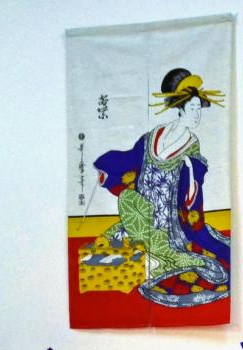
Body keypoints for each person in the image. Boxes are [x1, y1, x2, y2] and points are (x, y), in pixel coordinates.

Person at [89, 67, 230, 307]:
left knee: (178, 260)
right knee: (98, 261)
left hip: (170, 226)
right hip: (143, 217)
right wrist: (109, 170)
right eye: (194, 108)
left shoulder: (191, 144)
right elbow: (131, 160)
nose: (197, 115)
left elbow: (195, 177)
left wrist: (191, 168)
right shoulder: (152, 136)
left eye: (199, 109)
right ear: (180, 107)